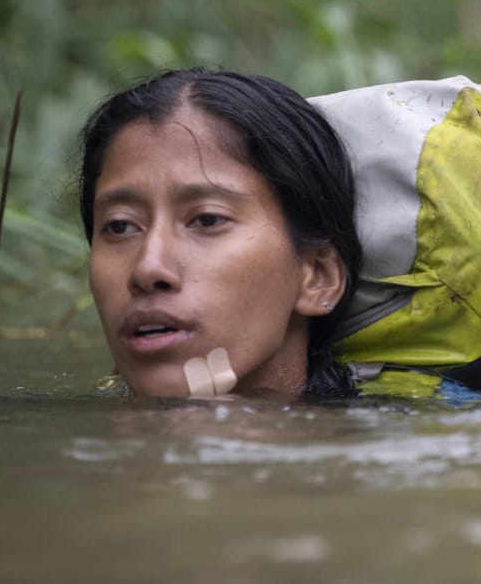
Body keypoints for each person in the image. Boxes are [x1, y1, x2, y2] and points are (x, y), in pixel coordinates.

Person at [76, 69, 363, 398]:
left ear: (316, 276)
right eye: (119, 225)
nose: (148, 268)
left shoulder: (390, 440)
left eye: (207, 220)